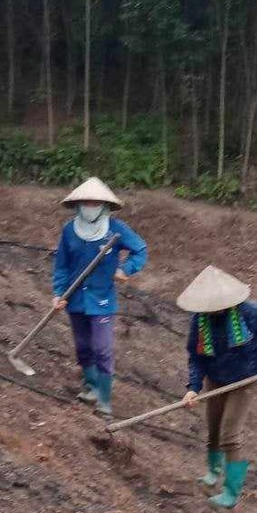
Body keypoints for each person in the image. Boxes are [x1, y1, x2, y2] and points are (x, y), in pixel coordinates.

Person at [177, 266, 257, 509]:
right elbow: (196, 357)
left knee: (230, 435)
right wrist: (193, 387)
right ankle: (213, 473)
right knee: (214, 430)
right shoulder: (200, 321)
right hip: (216, 378)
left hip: (245, 379)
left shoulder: (250, 313)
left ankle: (231, 493)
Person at [51, 178, 148, 416]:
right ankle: (90, 387)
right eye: (86, 202)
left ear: (104, 205)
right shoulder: (69, 231)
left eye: (95, 203)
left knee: (102, 348)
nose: (90, 206)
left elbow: (140, 250)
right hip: (74, 298)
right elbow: (61, 265)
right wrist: (58, 293)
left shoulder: (115, 230)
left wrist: (126, 269)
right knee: (83, 346)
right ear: (78, 204)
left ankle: (104, 400)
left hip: (102, 299)